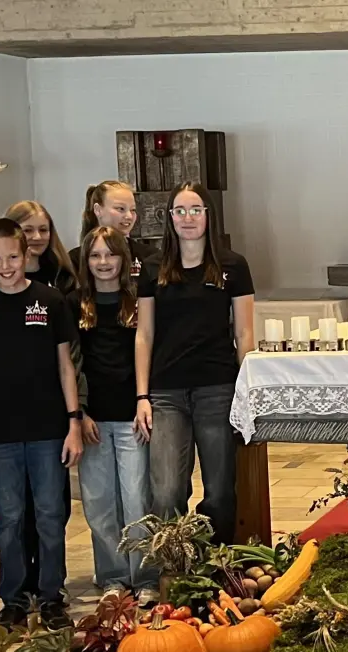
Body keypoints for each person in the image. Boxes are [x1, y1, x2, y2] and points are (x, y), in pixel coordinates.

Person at [0, 219, 83, 630]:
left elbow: (66, 366)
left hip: (49, 428)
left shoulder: (49, 300)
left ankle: (51, 596)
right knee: (9, 517)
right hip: (1, 433)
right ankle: (13, 599)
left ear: (27, 254)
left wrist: (73, 421)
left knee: (50, 514)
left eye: (12, 257)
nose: (5, 266)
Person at [136, 183, 253, 544]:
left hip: (217, 388)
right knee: (168, 490)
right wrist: (142, 396)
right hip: (167, 391)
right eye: (180, 211)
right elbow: (144, 334)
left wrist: (248, 392)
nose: (188, 218)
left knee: (219, 489)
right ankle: (174, 568)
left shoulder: (232, 265)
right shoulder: (154, 267)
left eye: (195, 210)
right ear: (169, 217)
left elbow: (245, 334)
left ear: (208, 216)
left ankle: (215, 563)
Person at [73, 226, 156, 597]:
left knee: (137, 500)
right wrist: (79, 413)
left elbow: (149, 351)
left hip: (130, 414)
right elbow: (69, 364)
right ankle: (112, 577)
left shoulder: (137, 302)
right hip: (93, 418)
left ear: (124, 260)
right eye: (95, 255)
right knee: (99, 503)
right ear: (85, 261)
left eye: (111, 254)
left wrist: (144, 398)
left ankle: (146, 577)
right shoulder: (76, 305)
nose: (103, 262)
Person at [70, 181, 159, 276]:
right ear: (98, 210)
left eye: (133, 210)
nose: (129, 216)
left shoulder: (150, 256)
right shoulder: (74, 261)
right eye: (120, 209)